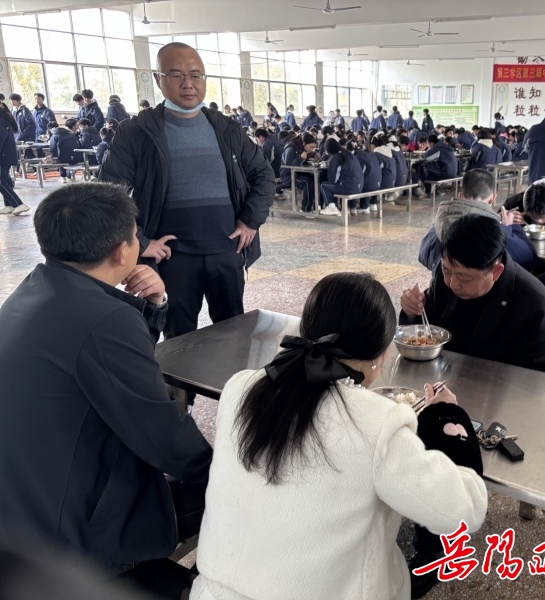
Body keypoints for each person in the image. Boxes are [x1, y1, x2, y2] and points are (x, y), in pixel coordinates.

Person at [189, 272, 486, 600]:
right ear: (381, 355)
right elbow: (465, 510)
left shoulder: (240, 388)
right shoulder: (376, 422)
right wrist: (447, 417)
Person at [0, 183, 212, 572]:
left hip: (23, 501)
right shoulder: (105, 319)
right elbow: (161, 434)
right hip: (68, 533)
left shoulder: (35, 288)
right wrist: (224, 471)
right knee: (219, 488)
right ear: (121, 251)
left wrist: (154, 304)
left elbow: (105, 359)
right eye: (136, 235)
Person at [99, 41, 274, 340]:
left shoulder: (226, 129)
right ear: (158, 79)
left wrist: (250, 220)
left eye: (195, 75)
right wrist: (140, 241)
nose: (188, 83)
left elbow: (264, 175)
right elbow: (106, 195)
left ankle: (230, 375)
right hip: (172, 258)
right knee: (178, 340)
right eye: (176, 75)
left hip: (226, 251)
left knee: (234, 335)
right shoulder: (137, 132)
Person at [402, 214, 545, 372]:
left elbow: (535, 380)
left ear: (496, 272)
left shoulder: (537, 308)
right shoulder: (447, 271)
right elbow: (428, 328)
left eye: (464, 277)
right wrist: (412, 312)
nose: (452, 283)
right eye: (447, 271)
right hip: (440, 378)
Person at [418, 169, 539, 272]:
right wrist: (507, 228)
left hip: (441, 289)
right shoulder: (492, 231)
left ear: (461, 196)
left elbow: (424, 255)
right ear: (493, 198)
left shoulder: (441, 220)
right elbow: (529, 259)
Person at [318, 138, 362, 217]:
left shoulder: (336, 157)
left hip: (348, 187)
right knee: (334, 184)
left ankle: (331, 207)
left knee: (323, 185)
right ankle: (339, 207)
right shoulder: (348, 154)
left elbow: (333, 180)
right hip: (359, 186)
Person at [0, 106, 29, 216]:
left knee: (1, 182)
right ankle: (9, 205)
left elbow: (0, 138)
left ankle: (18, 204)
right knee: (5, 180)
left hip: (3, 154)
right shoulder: (4, 117)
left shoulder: (1, 119)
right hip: (5, 154)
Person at [281, 132, 319, 213]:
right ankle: (305, 209)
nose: (312, 149)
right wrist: (300, 158)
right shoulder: (291, 148)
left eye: (314, 147)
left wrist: (314, 155)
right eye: (311, 147)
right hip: (288, 175)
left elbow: (306, 158)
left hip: (299, 173)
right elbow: (288, 166)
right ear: (304, 144)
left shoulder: (302, 147)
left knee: (317, 179)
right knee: (307, 182)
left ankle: (317, 206)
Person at [352, 140, 381, 213]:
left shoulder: (359, 157)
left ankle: (362, 207)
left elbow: (359, 173)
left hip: (369, 185)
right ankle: (373, 204)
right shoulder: (373, 155)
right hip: (378, 184)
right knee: (370, 178)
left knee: (355, 183)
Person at [368, 131, 397, 201]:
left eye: (370, 145)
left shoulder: (377, 154)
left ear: (373, 145)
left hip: (384, 183)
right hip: (391, 182)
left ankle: (372, 203)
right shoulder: (388, 151)